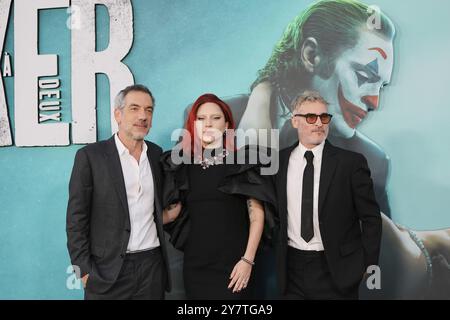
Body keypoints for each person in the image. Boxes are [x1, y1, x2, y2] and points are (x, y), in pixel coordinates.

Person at [218, 0, 449, 299]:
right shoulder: (222, 120)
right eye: (365, 77)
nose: (374, 102)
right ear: (312, 55)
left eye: (382, 86)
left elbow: (377, 262)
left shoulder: (372, 161)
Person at [66, 84, 179, 300]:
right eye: (134, 108)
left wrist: (167, 216)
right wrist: (84, 272)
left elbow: (149, 207)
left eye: (148, 110)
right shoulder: (91, 157)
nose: (143, 116)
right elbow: (76, 220)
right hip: (107, 270)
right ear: (118, 114)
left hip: (152, 266)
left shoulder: (156, 155)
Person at [161, 93, 275, 300]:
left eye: (216, 118)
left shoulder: (242, 161)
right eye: (201, 118)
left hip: (236, 266)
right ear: (193, 125)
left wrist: (247, 260)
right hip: (196, 267)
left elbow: (256, 217)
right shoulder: (182, 166)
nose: (208, 124)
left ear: (227, 124)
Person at [274, 90, 381, 299]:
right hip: (292, 270)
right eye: (311, 117)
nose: (319, 123)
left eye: (324, 117)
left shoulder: (351, 163)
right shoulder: (279, 162)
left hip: (337, 271)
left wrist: (366, 265)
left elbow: (371, 218)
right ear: (295, 121)